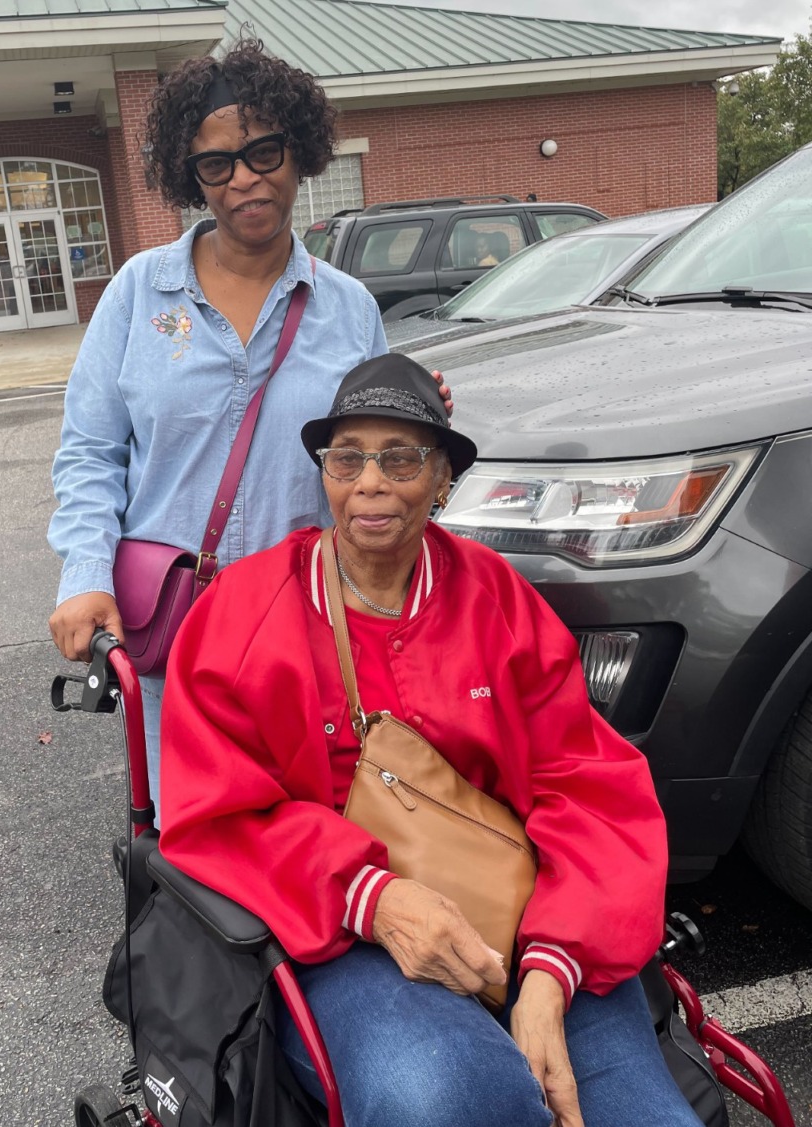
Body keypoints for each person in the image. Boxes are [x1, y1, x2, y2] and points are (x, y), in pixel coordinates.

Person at [158, 353, 703, 1127]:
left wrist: (550, 973)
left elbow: (587, 785)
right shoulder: (242, 613)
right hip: (342, 932)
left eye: (402, 457)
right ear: (324, 472)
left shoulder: (498, 600)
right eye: (347, 457)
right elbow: (214, 811)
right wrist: (371, 896)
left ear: (444, 477)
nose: (370, 482)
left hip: (523, 913)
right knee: (456, 1097)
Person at [46, 40, 450, 815]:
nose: (245, 179)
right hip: (174, 631)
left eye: (263, 152)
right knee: (187, 834)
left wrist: (416, 426)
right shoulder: (140, 294)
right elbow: (91, 452)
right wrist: (85, 573)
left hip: (305, 629)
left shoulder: (347, 308)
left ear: (298, 153)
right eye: (216, 164)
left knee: (308, 827)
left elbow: (368, 460)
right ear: (189, 176)